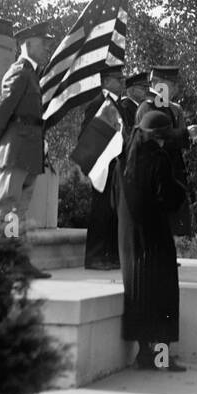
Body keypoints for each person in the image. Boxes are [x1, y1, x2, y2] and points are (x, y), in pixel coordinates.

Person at [0, 20, 53, 279]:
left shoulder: (31, 74)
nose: (47, 48)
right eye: (44, 43)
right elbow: (3, 109)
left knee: (19, 210)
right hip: (15, 149)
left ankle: (16, 258)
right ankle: (3, 258)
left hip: (27, 149)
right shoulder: (20, 72)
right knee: (7, 207)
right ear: (30, 43)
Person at [121, 109, 188, 371]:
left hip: (130, 239)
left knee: (140, 296)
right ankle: (161, 358)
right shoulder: (158, 158)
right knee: (163, 299)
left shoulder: (125, 158)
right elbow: (169, 197)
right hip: (155, 237)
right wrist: (180, 192)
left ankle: (144, 354)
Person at [135, 65, 197, 238]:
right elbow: (164, 137)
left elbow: (183, 139)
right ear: (158, 83)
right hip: (154, 173)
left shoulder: (171, 108)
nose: (175, 89)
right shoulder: (148, 107)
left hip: (170, 170)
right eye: (171, 84)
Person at [74, 63, 128, 270]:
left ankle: (111, 254)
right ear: (105, 82)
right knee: (101, 211)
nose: (122, 82)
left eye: (122, 79)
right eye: (118, 79)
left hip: (116, 166)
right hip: (103, 167)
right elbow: (85, 136)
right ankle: (95, 256)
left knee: (113, 212)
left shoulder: (118, 104)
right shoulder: (98, 103)